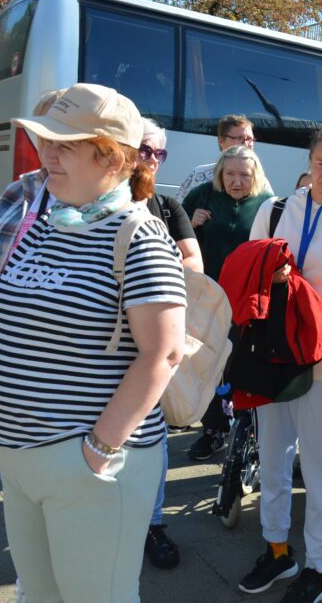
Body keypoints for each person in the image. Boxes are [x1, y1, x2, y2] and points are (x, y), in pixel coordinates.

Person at [0, 83, 186, 601]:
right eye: (45, 141)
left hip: (87, 470)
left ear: (114, 158)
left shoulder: (137, 234)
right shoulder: (42, 219)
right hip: (17, 459)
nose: (45, 155)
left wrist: (98, 451)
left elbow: (163, 352)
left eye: (65, 145)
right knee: (36, 593)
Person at [236, 125, 322, 601]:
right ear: (308, 161)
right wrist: (271, 271)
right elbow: (248, 269)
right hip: (272, 351)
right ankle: (278, 550)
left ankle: (319, 567)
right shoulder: (276, 208)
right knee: (272, 455)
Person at [136, 118, 204, 571]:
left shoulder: (166, 204)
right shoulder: (91, 203)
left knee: (153, 438)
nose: (151, 159)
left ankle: (154, 522)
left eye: (159, 154)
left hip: (151, 342)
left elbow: (194, 262)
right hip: (99, 350)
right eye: (145, 149)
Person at [182, 145, 274, 460]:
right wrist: (190, 223)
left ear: (256, 176)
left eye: (244, 176)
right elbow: (171, 239)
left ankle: (246, 430)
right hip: (206, 298)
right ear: (220, 173)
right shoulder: (202, 196)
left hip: (247, 301)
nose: (236, 181)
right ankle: (211, 431)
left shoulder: (267, 205)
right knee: (209, 364)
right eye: (230, 174)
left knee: (238, 365)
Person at [175, 114, 272, 201]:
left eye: (249, 139)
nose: (246, 144)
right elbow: (179, 212)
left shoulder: (261, 181)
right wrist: (193, 219)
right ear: (222, 141)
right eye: (239, 138)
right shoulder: (199, 175)